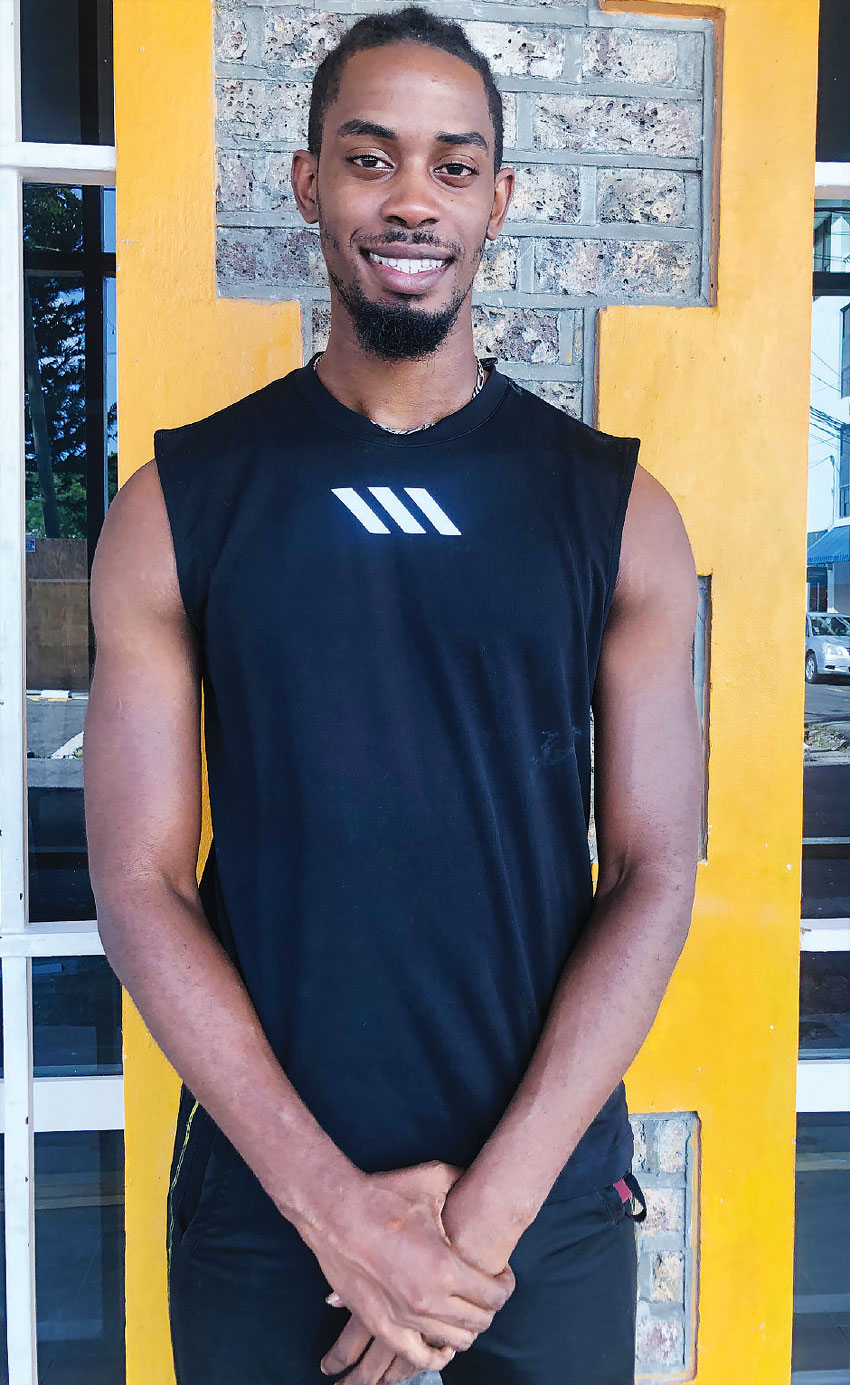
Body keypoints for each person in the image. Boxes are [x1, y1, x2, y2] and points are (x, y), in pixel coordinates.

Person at [83, 6, 702, 1383]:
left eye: (452, 165)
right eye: (370, 160)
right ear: (310, 182)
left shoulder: (616, 512)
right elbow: (138, 884)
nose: (412, 198)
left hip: (538, 1208)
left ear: (498, 197)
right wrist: (334, 1210)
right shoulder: (178, 506)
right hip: (268, 1201)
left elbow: (655, 870)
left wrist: (480, 1219)